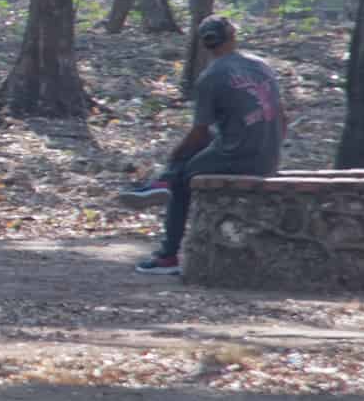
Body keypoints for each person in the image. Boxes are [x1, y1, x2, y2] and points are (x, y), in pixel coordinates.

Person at [121, 15, 284, 275]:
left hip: (238, 156)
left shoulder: (211, 76)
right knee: (194, 158)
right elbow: (281, 118)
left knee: (181, 178)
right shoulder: (261, 65)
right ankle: (162, 183)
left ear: (204, 44)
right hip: (269, 156)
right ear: (233, 37)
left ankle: (167, 254)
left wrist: (174, 157)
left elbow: (200, 134)